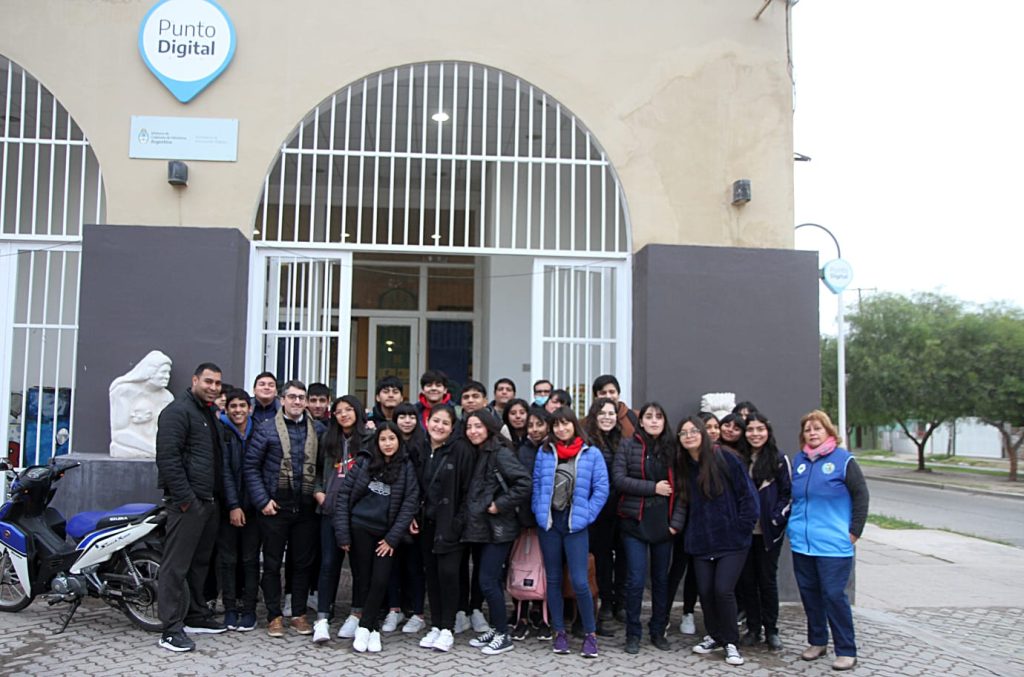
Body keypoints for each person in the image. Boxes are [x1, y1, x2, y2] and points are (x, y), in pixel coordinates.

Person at [788, 410, 868, 672]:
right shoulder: (800, 461)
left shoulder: (844, 461)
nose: (812, 433)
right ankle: (817, 641)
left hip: (834, 545)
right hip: (803, 543)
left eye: (817, 429)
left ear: (829, 432)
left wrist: (854, 531)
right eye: (808, 429)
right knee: (810, 595)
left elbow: (861, 497)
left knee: (834, 595)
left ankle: (846, 649)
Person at [155, 362, 227, 652]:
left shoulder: (207, 412)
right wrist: (187, 500)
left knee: (199, 564)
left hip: (208, 502)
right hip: (188, 504)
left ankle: (196, 615)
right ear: (195, 379)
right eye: (208, 381)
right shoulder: (177, 411)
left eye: (217, 383)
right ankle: (170, 629)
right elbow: (168, 459)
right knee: (175, 567)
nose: (212, 387)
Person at [244, 380, 324, 638]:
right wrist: (262, 501)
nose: (297, 402)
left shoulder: (318, 430)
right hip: (274, 508)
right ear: (282, 399)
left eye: (301, 397)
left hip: (306, 509)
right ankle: (273, 615)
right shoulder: (266, 429)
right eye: (292, 397)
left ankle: (298, 614)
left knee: (301, 564)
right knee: (271, 564)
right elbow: (251, 467)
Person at [678, 416, 759, 667]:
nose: (689, 435)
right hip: (702, 541)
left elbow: (749, 498)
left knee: (723, 590)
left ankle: (731, 643)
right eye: (683, 432)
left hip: (731, 541)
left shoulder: (726, 458)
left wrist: (740, 530)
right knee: (706, 591)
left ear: (703, 433)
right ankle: (714, 634)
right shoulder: (685, 466)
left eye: (693, 431)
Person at [334, 422, 421, 653]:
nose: (388, 444)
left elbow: (409, 504)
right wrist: (343, 532)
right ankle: (371, 631)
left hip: (386, 534)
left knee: (380, 580)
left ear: (399, 441)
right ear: (377, 441)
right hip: (360, 528)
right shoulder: (364, 462)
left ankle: (364, 627)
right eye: (383, 439)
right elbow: (344, 496)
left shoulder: (406, 467)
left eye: (392, 439)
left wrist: (392, 538)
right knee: (363, 579)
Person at [532, 405, 609, 659]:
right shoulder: (545, 452)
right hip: (550, 524)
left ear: (574, 425)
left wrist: (586, 515)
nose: (561, 428)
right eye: (556, 425)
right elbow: (536, 485)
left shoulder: (591, 453)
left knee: (579, 580)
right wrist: (539, 511)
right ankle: (559, 633)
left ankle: (590, 634)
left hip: (576, 524)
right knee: (553, 579)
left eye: (566, 423)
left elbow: (601, 489)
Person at [614, 402, 687, 654]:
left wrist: (676, 525)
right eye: (648, 417)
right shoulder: (628, 444)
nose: (654, 421)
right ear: (641, 421)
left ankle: (658, 630)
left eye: (659, 416)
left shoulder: (674, 449)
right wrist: (652, 488)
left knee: (660, 580)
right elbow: (620, 480)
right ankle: (633, 633)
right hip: (634, 521)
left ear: (664, 421)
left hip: (664, 525)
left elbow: (682, 492)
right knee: (635, 580)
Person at [461, 411, 531, 655]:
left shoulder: (500, 452)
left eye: (478, 426)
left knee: (488, 581)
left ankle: (503, 634)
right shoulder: (481, 451)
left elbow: (524, 482)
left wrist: (500, 504)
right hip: (484, 528)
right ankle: (496, 627)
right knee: (486, 580)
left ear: (489, 428)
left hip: (499, 528)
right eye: (469, 427)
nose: (473, 431)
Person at [415, 405, 474, 652]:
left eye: (445, 423)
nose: (439, 426)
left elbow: (468, 490)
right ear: (427, 421)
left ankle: (448, 628)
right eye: (435, 421)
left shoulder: (461, 450)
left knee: (449, 575)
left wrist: (459, 522)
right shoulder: (420, 448)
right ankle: (436, 625)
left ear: (452, 427)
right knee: (432, 575)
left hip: (450, 523)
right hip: (426, 522)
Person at [312, 395, 370, 642]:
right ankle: (322, 618)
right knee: (328, 564)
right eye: (338, 411)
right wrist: (318, 493)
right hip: (330, 509)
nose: (344, 414)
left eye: (348, 410)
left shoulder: (369, 439)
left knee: (359, 566)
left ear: (357, 412)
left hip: (358, 512)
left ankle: (357, 614)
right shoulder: (327, 439)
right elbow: (315, 471)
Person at [736, 412, 791, 651]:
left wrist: (777, 518)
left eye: (760, 429)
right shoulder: (740, 459)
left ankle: (771, 630)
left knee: (767, 581)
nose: (755, 434)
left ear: (767, 431)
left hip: (769, 533)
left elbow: (788, 494)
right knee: (747, 581)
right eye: (750, 430)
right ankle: (753, 628)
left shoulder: (778, 459)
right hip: (745, 533)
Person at [668, 411, 720, 636]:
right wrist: (676, 524)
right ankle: (664, 616)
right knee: (676, 570)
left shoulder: (721, 458)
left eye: (714, 427)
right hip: (684, 526)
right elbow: (681, 496)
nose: (712, 431)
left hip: (710, 528)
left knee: (698, 576)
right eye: (707, 427)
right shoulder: (681, 460)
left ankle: (690, 613)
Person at [217, 388, 261, 633]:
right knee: (228, 560)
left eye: (242, 406)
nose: (238, 410)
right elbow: (224, 472)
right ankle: (230, 608)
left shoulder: (259, 432)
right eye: (233, 406)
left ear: (250, 408)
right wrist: (233, 506)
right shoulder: (222, 433)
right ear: (226, 409)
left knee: (250, 560)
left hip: (254, 508)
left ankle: (250, 610)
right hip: (228, 508)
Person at [383, 402, 428, 634]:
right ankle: (394, 609)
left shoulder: (424, 444)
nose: (407, 421)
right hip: (389, 514)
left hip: (415, 516)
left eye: (412, 416)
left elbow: (423, 485)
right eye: (402, 417)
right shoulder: (388, 442)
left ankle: (418, 613)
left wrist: (412, 515)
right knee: (392, 565)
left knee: (413, 566)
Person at [582, 396, 625, 631]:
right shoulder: (587, 441)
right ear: (594, 416)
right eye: (603, 413)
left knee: (611, 559)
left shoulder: (620, 440)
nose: (607, 417)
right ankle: (593, 612)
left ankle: (610, 604)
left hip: (617, 510)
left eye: (611, 413)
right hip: (593, 511)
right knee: (595, 561)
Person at [509, 408, 552, 642]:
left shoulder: (553, 448)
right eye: (531, 425)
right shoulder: (521, 451)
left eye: (539, 425)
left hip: (549, 521)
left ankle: (544, 616)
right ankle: (520, 617)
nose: (534, 430)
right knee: (523, 567)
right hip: (523, 522)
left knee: (545, 569)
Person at [591, 374, 638, 439]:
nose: (608, 396)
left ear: (618, 394)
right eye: (603, 393)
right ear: (596, 397)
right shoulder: (584, 424)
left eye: (612, 392)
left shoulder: (636, 417)